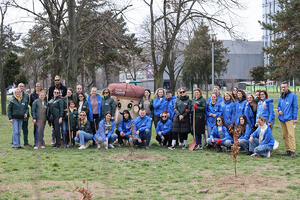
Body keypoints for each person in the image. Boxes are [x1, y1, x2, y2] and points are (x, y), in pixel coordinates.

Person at [278, 81, 298, 158]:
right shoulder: (281, 96)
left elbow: (295, 107)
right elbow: (279, 105)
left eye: (284, 87)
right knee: (284, 135)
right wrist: (279, 110)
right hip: (282, 119)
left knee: (291, 135)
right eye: (282, 87)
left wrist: (295, 118)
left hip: (290, 119)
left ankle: (292, 151)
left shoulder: (293, 96)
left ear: (288, 87)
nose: (283, 88)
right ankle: (288, 150)